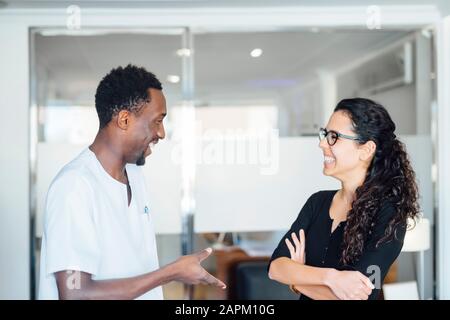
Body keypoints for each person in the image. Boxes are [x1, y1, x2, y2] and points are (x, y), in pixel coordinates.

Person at [39, 64, 226, 300]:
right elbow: (76, 293)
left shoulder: (135, 175)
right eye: (157, 121)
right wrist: (170, 273)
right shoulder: (75, 186)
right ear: (124, 120)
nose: (162, 133)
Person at [268, 98, 419, 300]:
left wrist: (297, 280)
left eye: (334, 137)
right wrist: (332, 278)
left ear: (365, 150)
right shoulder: (318, 202)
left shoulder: (389, 214)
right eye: (325, 134)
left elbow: (357, 296)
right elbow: (276, 268)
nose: (322, 143)